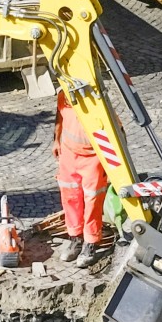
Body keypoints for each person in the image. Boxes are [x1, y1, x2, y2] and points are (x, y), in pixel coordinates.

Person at [53, 93, 108, 266]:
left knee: (93, 200)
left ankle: (90, 242)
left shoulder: (96, 98)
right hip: (69, 153)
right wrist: (56, 140)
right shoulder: (64, 94)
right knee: (70, 197)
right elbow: (60, 115)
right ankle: (75, 238)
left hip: (93, 156)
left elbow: (114, 129)